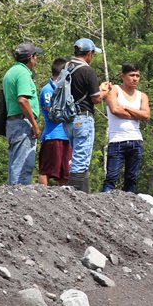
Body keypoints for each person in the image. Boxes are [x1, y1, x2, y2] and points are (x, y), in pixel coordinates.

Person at [66, 37, 108, 193]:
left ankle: (83, 194)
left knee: (76, 156)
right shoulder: (87, 70)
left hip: (68, 119)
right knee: (81, 160)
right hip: (83, 118)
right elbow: (96, 98)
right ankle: (75, 194)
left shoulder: (66, 68)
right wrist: (104, 91)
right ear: (89, 53)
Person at [102, 62, 150, 193]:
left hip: (136, 140)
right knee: (111, 177)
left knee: (132, 178)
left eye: (137, 75)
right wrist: (137, 114)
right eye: (131, 75)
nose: (135, 78)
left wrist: (128, 108)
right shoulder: (114, 90)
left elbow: (146, 115)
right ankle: (105, 203)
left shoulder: (142, 96)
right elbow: (115, 110)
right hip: (117, 140)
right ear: (122, 76)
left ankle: (130, 207)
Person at [2, 42, 43, 185]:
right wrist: (34, 125)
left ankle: (13, 195)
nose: (36, 60)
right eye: (35, 56)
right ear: (31, 57)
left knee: (15, 162)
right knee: (23, 165)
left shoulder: (11, 72)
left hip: (13, 122)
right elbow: (23, 100)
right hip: (22, 123)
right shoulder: (23, 73)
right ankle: (20, 198)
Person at [37, 57, 71, 187]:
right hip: (52, 136)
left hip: (67, 136)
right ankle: (41, 196)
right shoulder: (48, 90)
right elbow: (53, 114)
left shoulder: (67, 89)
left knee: (64, 173)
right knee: (46, 170)